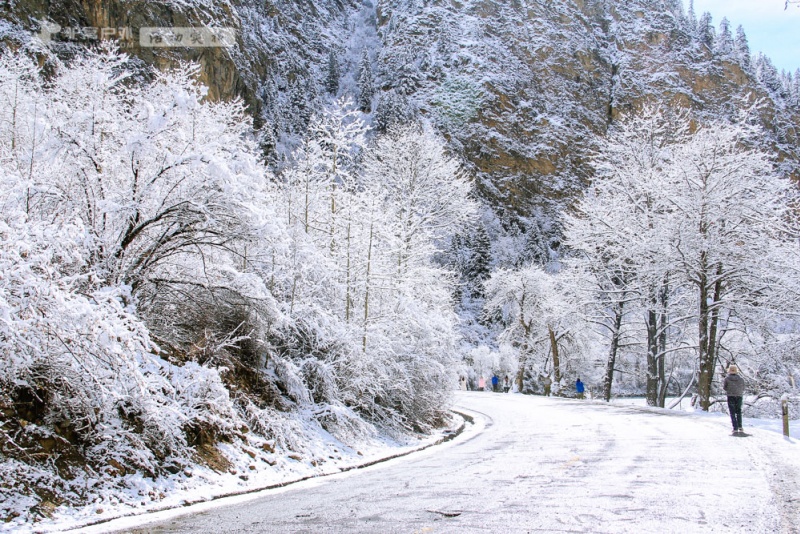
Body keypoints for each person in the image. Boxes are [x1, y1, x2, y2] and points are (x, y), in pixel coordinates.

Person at [723, 364, 745, 433]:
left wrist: (730, 389)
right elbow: (743, 387)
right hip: (739, 396)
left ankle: (735, 427)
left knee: (732, 412)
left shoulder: (727, 379)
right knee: (738, 411)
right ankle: (740, 426)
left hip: (730, 396)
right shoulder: (741, 379)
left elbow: (725, 388)